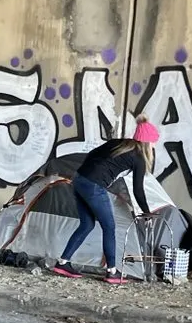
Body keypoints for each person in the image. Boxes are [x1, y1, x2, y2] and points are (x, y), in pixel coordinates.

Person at [53, 116, 160, 284]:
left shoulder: (119, 143)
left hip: (79, 179)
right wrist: (146, 212)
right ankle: (112, 272)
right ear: (147, 143)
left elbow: (92, 154)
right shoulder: (138, 158)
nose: (154, 146)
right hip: (94, 186)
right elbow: (138, 190)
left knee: (87, 224)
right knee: (109, 227)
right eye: (153, 142)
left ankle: (62, 263)